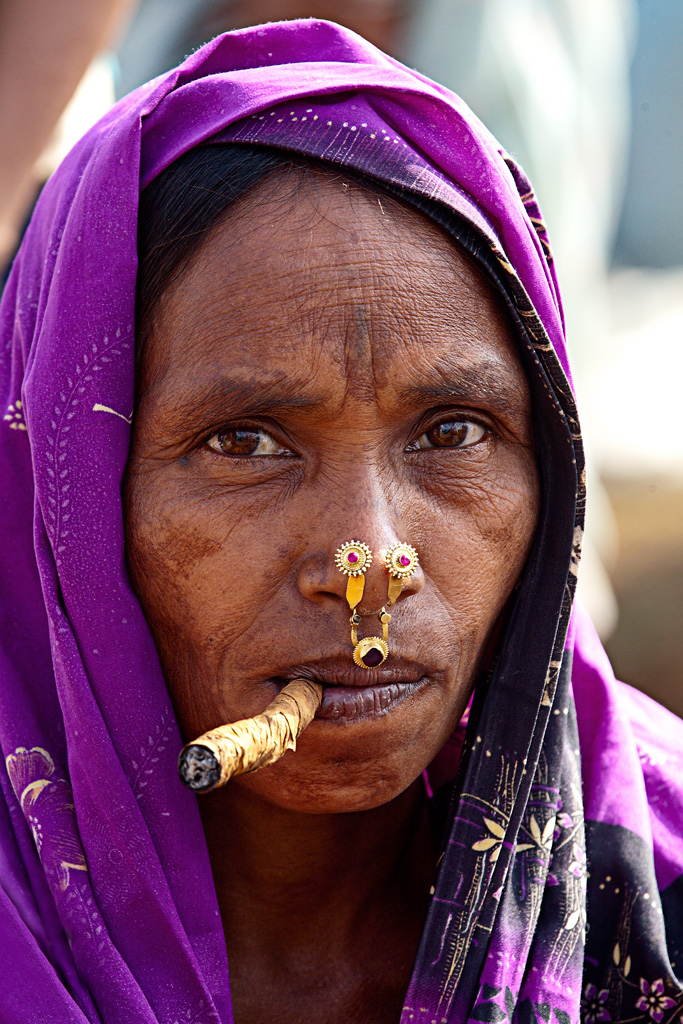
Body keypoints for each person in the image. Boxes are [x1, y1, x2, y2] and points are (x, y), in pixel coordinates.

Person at [0, 19, 681, 1024]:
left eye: (452, 430)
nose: (368, 565)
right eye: (244, 444)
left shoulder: (655, 892)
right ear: (70, 501)